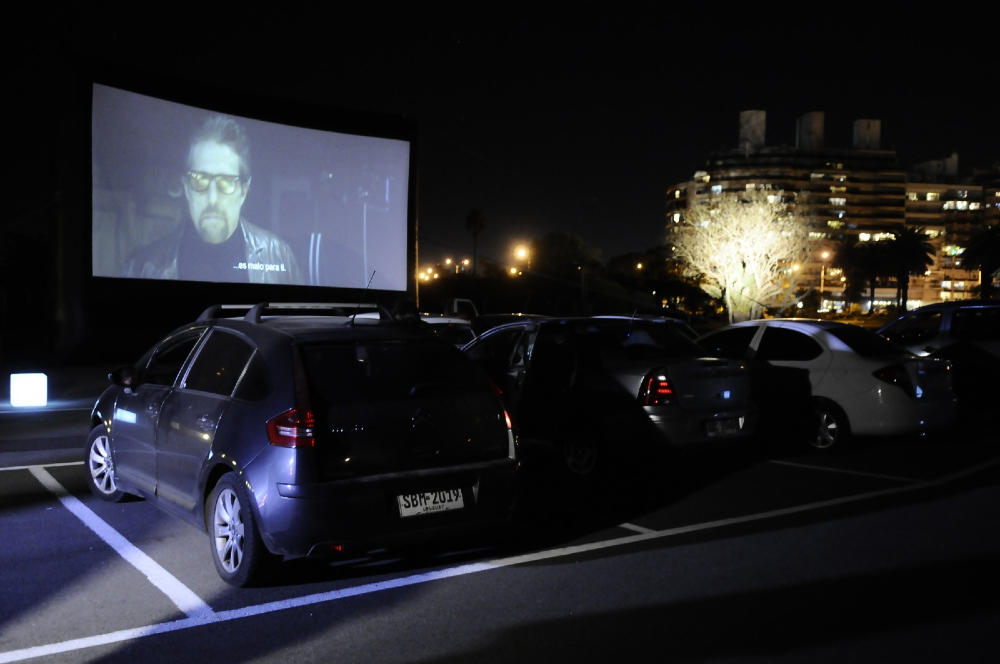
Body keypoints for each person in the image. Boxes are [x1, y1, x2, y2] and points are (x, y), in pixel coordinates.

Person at [121, 115, 302, 284]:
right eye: (200, 180)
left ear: (243, 192)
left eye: (226, 182)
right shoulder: (142, 266)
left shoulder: (278, 255)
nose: (212, 198)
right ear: (186, 188)